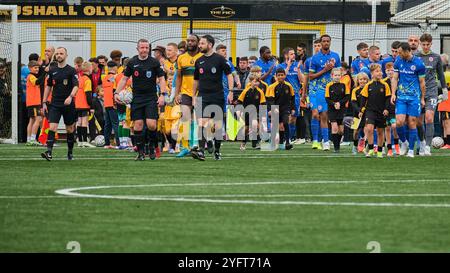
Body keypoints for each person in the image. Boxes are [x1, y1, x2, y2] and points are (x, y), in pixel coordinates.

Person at [115, 38, 167, 161]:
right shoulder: (132, 62)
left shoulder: (154, 62)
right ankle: (141, 153)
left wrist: (162, 95)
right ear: (137, 48)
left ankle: (152, 147)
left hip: (151, 97)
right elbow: (124, 79)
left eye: (146, 48)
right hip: (137, 98)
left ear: (148, 49)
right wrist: (116, 92)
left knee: (151, 124)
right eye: (142, 48)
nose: (144, 50)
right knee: (138, 126)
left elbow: (161, 79)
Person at [191, 34, 233, 161]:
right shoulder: (199, 61)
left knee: (218, 125)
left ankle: (217, 150)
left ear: (210, 45)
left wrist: (230, 91)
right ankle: (201, 151)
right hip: (203, 96)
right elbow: (196, 80)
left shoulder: (220, 59)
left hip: (217, 96)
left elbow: (229, 75)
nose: (199, 45)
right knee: (202, 123)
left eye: (202, 43)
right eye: (200, 43)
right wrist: (193, 96)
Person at [41, 47, 79, 161]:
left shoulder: (71, 70)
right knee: (52, 127)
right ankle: (49, 152)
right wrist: (43, 102)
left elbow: (76, 85)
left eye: (61, 53)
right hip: (55, 103)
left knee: (69, 130)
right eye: (57, 54)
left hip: (68, 104)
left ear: (66, 55)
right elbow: (48, 86)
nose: (59, 55)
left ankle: (70, 152)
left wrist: (70, 97)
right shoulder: (52, 70)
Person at [391, 42, 426, 158]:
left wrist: (422, 98)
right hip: (401, 97)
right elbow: (395, 79)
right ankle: (404, 143)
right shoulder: (398, 61)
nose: (398, 54)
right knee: (399, 122)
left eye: (400, 52)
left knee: (412, 122)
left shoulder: (419, 64)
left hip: (414, 98)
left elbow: (422, 83)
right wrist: (393, 94)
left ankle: (411, 149)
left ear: (407, 51)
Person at [415, 33, 447, 156]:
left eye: (428, 44)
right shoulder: (416, 56)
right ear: (420, 44)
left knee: (429, 117)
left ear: (431, 44)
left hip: (432, 91)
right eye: (423, 44)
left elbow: (441, 74)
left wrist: (444, 90)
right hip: (418, 92)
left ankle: (428, 147)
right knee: (418, 121)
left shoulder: (436, 57)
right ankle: (422, 143)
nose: (425, 46)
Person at [309, 34, 341, 151]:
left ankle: (328, 140)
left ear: (330, 42)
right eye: (324, 41)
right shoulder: (315, 58)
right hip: (320, 90)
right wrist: (325, 69)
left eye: (328, 41)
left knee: (330, 116)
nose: (326, 43)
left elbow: (338, 73)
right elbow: (311, 76)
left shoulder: (335, 56)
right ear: (321, 43)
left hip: (333, 90)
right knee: (322, 115)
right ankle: (325, 141)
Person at [174, 34, 203, 158]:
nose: (190, 43)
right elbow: (179, 77)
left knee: (198, 120)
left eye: (193, 41)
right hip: (185, 92)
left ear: (197, 42)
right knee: (185, 118)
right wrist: (177, 93)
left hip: (199, 93)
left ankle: (196, 145)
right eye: (188, 41)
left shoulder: (202, 57)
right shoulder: (181, 58)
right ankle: (185, 147)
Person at [359, 63, 391, 158]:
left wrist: (386, 109)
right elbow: (363, 99)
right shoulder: (368, 85)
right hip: (370, 111)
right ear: (372, 74)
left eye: (380, 71)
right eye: (377, 71)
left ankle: (380, 151)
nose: (380, 73)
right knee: (369, 129)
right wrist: (361, 110)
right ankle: (371, 149)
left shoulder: (385, 85)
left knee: (381, 131)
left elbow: (388, 99)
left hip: (381, 112)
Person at [266, 67, 296, 150]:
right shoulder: (272, 87)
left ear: (285, 75)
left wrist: (293, 108)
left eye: (282, 75)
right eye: (278, 75)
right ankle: (279, 143)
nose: (280, 77)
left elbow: (292, 98)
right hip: (275, 108)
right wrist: (271, 109)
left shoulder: (289, 86)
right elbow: (270, 100)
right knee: (278, 126)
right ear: (276, 76)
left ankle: (287, 142)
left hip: (285, 108)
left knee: (286, 123)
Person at [236, 73, 266, 150]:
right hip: (246, 112)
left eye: (258, 82)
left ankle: (256, 143)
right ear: (250, 82)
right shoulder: (245, 91)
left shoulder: (260, 92)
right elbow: (239, 101)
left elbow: (263, 103)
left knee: (256, 126)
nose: (257, 83)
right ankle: (243, 142)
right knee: (246, 128)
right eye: (255, 81)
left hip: (256, 112)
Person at [325, 68, 350, 152]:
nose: (337, 77)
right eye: (335, 75)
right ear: (332, 76)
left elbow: (347, 97)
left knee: (341, 130)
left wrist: (340, 103)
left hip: (342, 109)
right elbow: (327, 98)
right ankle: (336, 148)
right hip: (332, 109)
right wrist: (334, 104)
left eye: (339, 75)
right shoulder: (329, 86)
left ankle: (337, 144)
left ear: (341, 76)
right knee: (334, 128)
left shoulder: (344, 85)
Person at [75, 61, 95, 148]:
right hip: (84, 104)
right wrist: (91, 105)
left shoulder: (80, 78)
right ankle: (85, 141)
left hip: (78, 104)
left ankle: (79, 141)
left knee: (79, 122)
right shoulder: (87, 80)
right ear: (89, 69)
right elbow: (88, 94)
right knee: (84, 122)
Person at [25, 61, 44, 146]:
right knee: (38, 119)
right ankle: (33, 139)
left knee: (32, 120)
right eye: (35, 67)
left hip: (31, 102)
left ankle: (29, 139)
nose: (37, 69)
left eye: (38, 67)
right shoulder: (31, 76)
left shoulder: (32, 76)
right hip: (34, 102)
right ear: (30, 68)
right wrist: (45, 73)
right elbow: (37, 82)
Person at [102, 61, 120, 149]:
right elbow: (114, 90)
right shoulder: (114, 78)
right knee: (116, 123)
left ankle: (107, 143)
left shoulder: (105, 78)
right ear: (114, 68)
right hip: (113, 103)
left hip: (106, 104)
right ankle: (119, 143)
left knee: (107, 124)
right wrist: (115, 102)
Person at [350, 72, 369, 154]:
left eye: (365, 79)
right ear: (357, 80)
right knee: (356, 131)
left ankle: (364, 146)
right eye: (361, 79)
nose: (363, 81)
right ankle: (354, 146)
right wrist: (359, 111)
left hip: (367, 113)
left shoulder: (369, 89)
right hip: (356, 113)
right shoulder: (355, 90)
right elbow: (353, 103)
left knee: (366, 129)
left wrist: (363, 110)